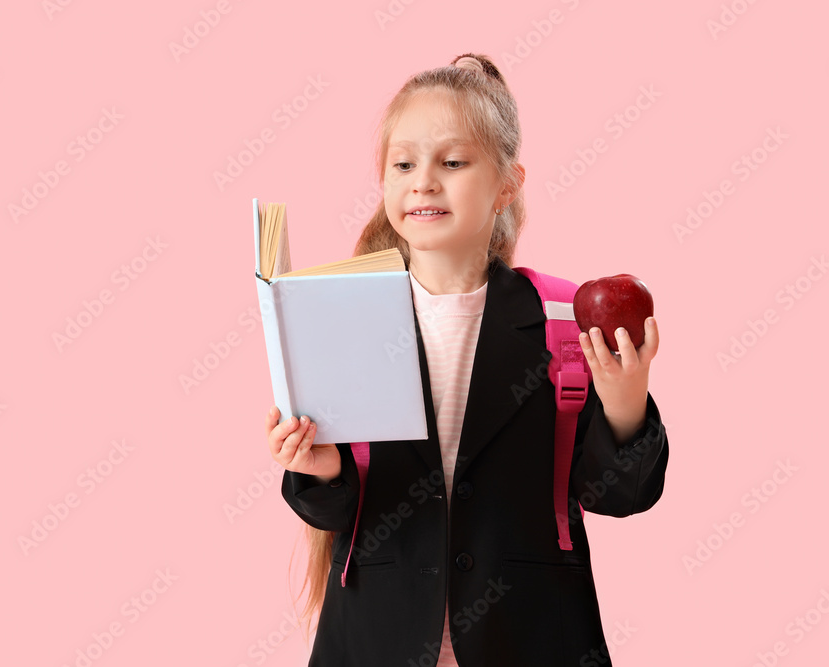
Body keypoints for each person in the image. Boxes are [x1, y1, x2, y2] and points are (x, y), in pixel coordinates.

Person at [264, 52, 669, 667]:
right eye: (403, 164)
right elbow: (338, 513)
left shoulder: (562, 320)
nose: (423, 180)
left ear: (507, 184)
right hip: (377, 637)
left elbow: (618, 496)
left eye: (452, 162)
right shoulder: (344, 317)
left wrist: (625, 407)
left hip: (532, 638)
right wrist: (318, 470)